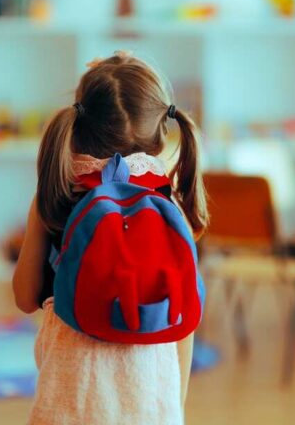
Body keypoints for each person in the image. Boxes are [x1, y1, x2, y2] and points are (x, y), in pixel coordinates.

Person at [12, 51, 208, 425]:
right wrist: (175, 408)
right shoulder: (169, 207)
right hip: (151, 405)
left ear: (80, 123)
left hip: (73, 401)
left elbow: (25, 297)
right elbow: (185, 324)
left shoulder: (56, 197)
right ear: (161, 131)